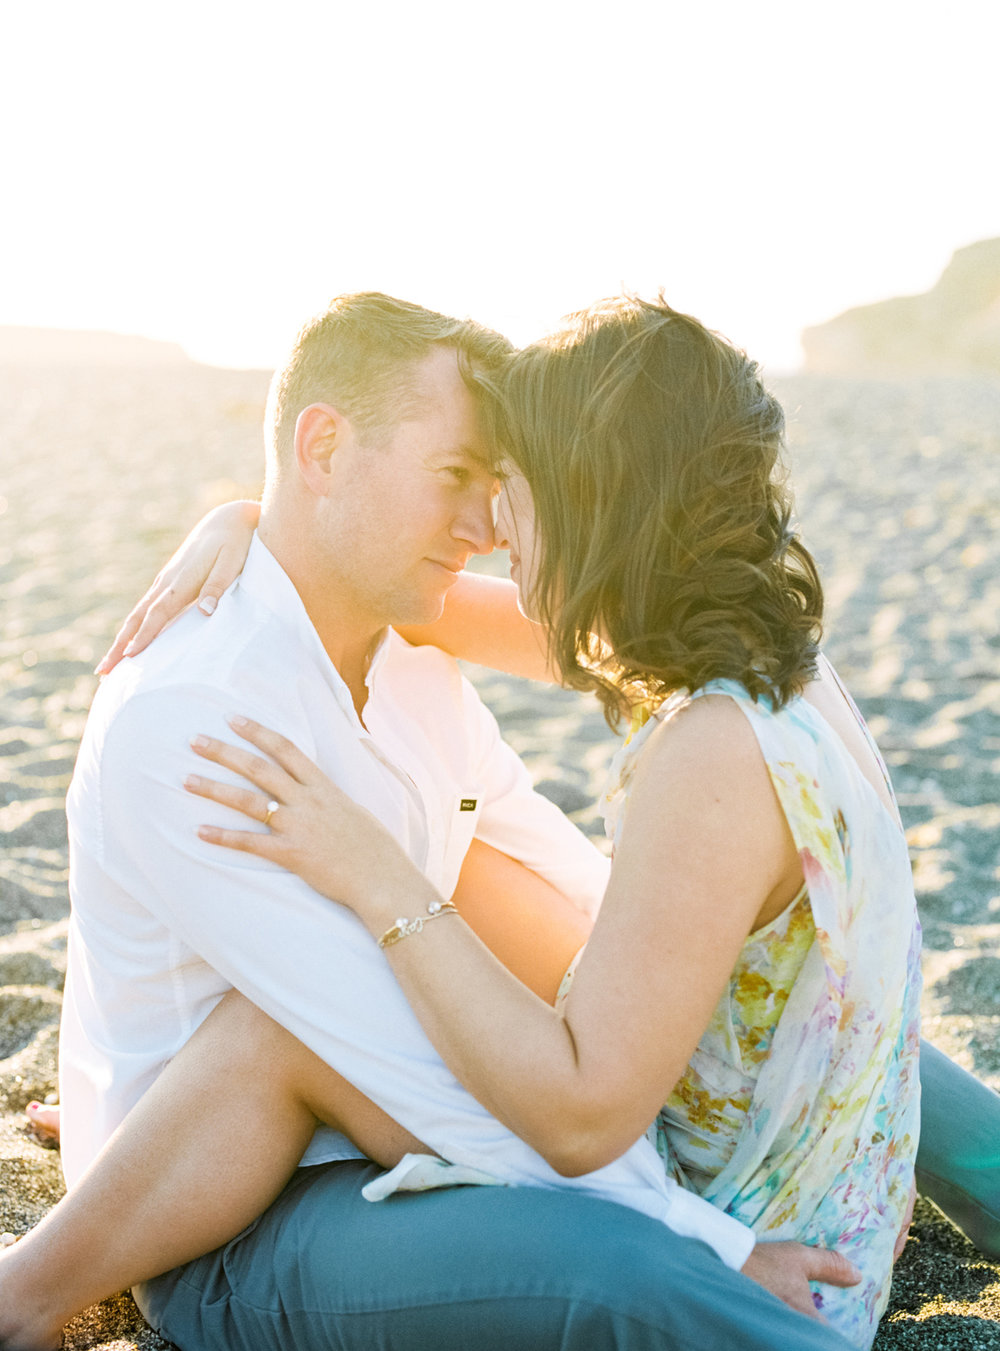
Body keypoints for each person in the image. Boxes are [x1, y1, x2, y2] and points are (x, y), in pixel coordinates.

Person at [0, 293, 858, 1351]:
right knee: (620, 1272)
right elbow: (394, 1063)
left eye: (498, 487)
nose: (488, 526)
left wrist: (703, 1017)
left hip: (410, 1129)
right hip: (236, 1222)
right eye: (455, 476)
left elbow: (576, 891)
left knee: (810, 994)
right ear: (324, 445)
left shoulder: (408, 659)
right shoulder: (201, 723)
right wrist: (707, 1238)